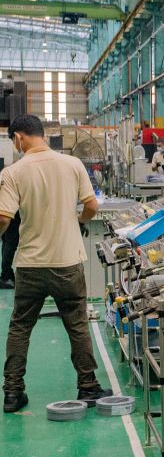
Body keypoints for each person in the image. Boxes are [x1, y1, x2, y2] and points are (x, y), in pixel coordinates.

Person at [0, 115, 112, 413]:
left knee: (20, 328)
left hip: (30, 265)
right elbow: (91, 206)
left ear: (19, 138)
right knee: (76, 325)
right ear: (42, 134)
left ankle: (12, 393)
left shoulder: (13, 172)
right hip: (67, 262)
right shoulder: (72, 164)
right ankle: (88, 387)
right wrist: (76, 222)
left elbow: (3, 218)